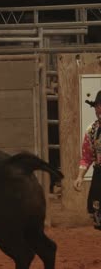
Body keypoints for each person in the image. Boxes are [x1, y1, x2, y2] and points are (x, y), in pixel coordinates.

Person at [74, 89, 101, 230]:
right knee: (98, 218)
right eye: (97, 106)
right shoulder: (92, 130)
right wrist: (80, 177)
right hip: (99, 175)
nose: (99, 109)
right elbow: (87, 156)